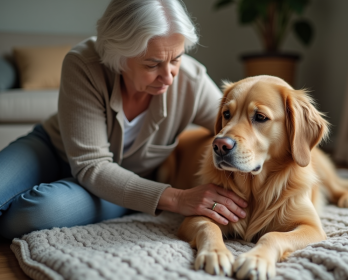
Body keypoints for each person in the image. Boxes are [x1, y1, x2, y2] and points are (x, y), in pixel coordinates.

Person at [0, 0, 247, 240]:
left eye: (176, 59)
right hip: (51, 148)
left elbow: (237, 130)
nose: (168, 77)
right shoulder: (84, 63)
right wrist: (178, 199)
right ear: (118, 55)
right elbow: (91, 164)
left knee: (33, 213)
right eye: (153, 64)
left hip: (118, 186)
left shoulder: (192, 81)